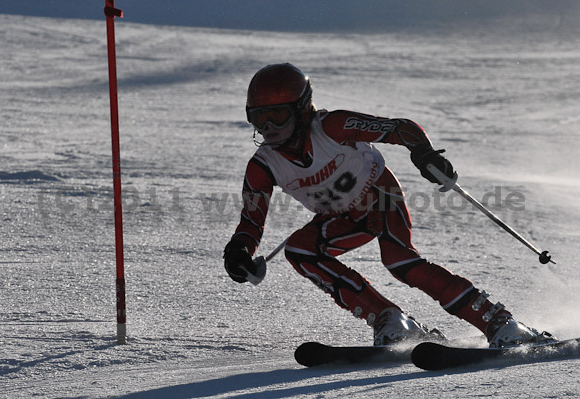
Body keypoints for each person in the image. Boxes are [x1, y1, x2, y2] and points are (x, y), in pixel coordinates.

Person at [223, 63, 554, 348]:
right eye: (259, 119)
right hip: (341, 218)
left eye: (277, 116)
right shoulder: (263, 165)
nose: (269, 129)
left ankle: (498, 321)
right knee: (300, 249)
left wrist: (422, 153)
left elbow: (399, 128)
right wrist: (240, 251)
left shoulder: (332, 127)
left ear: (301, 108)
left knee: (400, 260)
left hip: (379, 196)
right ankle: (390, 319)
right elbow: (252, 219)